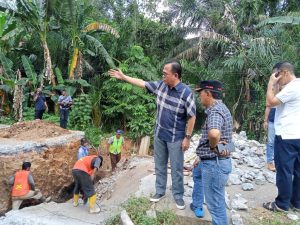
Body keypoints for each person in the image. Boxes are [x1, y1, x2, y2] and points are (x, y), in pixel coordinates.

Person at [108, 59, 196, 210]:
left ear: (175, 75)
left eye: (165, 74)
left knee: (176, 168)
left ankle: (178, 196)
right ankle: (160, 191)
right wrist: (124, 77)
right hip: (160, 134)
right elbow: (142, 83)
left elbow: (192, 116)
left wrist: (187, 138)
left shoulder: (186, 93)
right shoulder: (161, 85)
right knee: (160, 165)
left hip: (176, 137)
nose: (162, 76)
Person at [263, 62, 300, 212]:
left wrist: (271, 83)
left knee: (284, 170)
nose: (277, 79)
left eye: (277, 75)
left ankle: (282, 204)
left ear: (284, 72)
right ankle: (296, 203)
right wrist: (278, 86)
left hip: (286, 135)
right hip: (297, 135)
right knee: (298, 171)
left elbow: (270, 102)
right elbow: (279, 98)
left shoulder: (292, 87)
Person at [194, 80, 233, 224]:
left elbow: (214, 134)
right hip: (215, 161)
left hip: (214, 164)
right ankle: (196, 203)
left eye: (201, 94)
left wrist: (212, 148)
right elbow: (228, 140)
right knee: (197, 173)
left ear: (208, 93)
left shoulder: (215, 112)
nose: (199, 97)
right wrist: (202, 155)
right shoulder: (223, 108)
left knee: (215, 206)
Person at [263, 107, 276, 172]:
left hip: (284, 123)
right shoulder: (272, 97)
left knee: (282, 143)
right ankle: (270, 162)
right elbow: (268, 106)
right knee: (271, 142)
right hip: (272, 121)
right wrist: (265, 121)